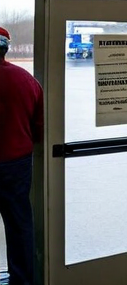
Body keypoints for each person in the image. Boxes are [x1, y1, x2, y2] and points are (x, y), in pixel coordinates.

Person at [0, 27, 43, 285]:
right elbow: (38, 128)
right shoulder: (27, 81)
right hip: (16, 165)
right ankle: (23, 280)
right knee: (19, 226)